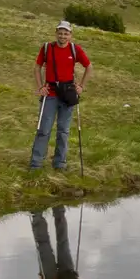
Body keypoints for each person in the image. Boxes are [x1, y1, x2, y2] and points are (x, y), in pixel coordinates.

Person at [30, 21, 91, 171]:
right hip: (50, 94)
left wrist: (81, 86)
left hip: (68, 94)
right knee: (44, 130)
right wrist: (40, 87)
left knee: (63, 131)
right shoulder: (47, 48)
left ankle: (59, 164)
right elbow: (37, 67)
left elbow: (89, 67)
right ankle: (36, 164)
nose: (63, 36)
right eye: (60, 33)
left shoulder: (75, 49)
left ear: (70, 35)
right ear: (56, 33)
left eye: (66, 33)